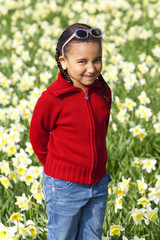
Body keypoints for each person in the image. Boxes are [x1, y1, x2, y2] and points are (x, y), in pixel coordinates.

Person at [29, 22, 112, 240]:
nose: (91, 68)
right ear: (63, 62)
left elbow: (101, 130)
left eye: (97, 60)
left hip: (98, 182)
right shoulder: (53, 98)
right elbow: (37, 136)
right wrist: (56, 168)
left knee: (93, 236)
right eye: (82, 61)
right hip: (65, 186)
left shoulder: (102, 91)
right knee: (62, 236)